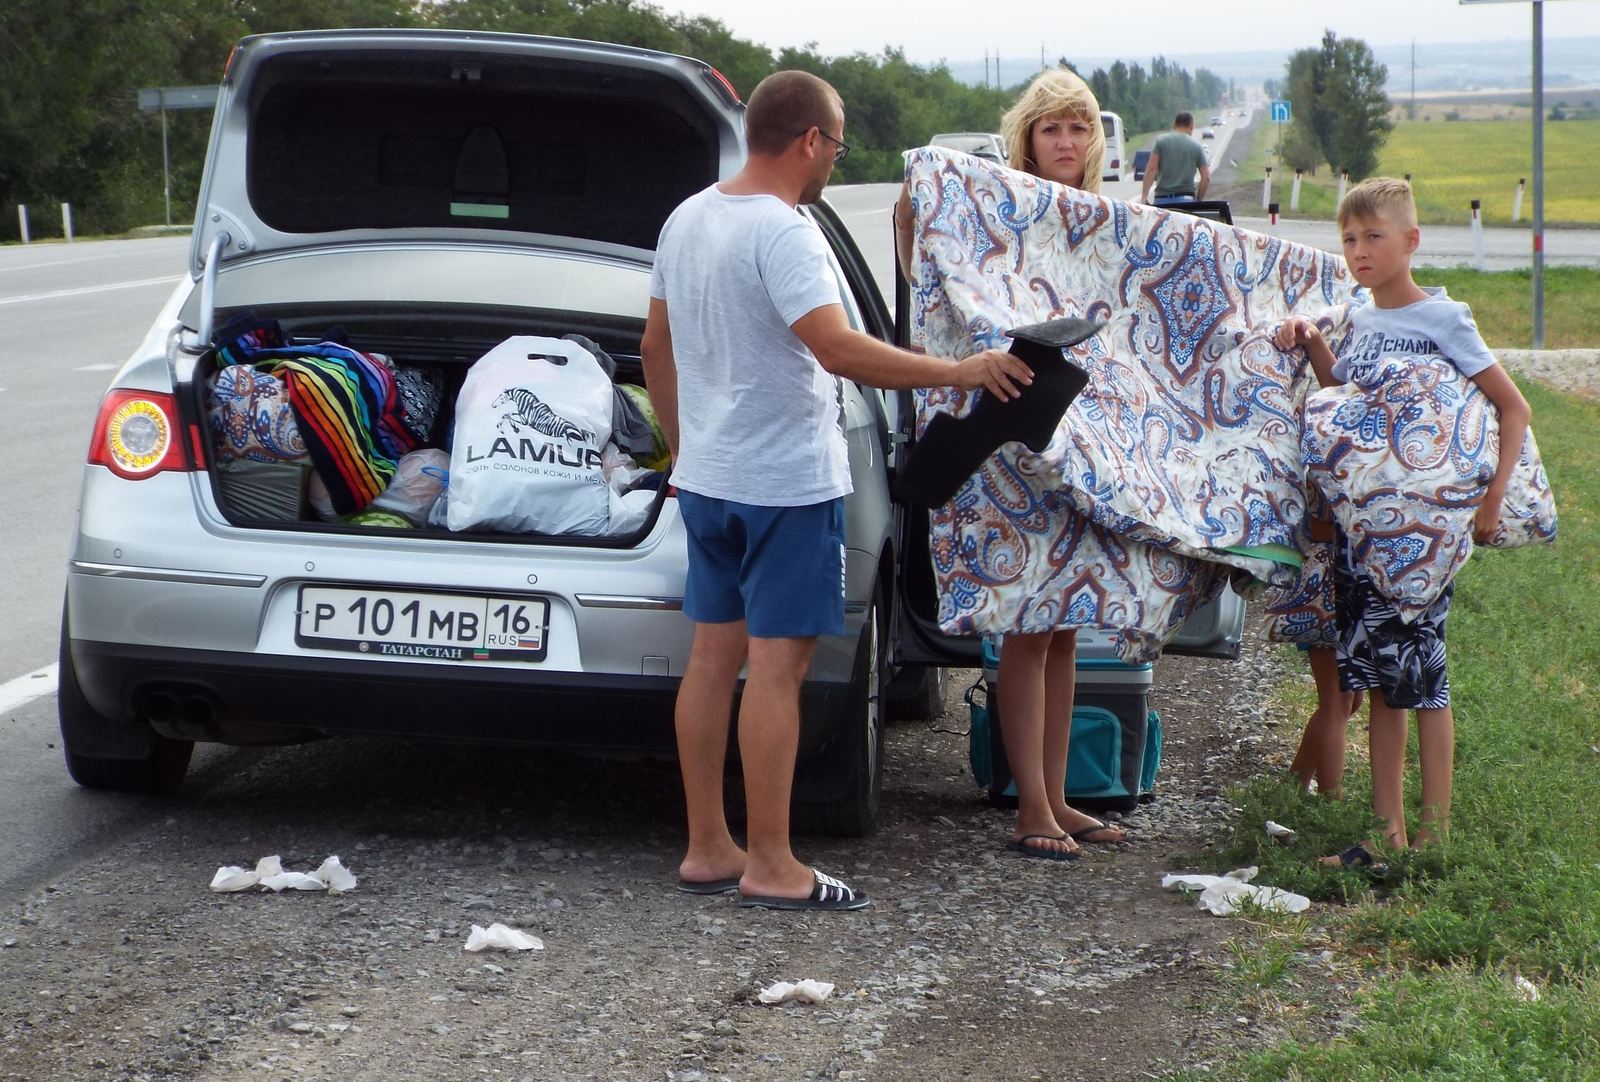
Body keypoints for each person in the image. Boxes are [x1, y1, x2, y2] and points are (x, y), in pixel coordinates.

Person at [642, 70, 1033, 911]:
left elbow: (653, 351)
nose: (833, 163)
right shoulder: (788, 232)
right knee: (777, 675)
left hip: (709, 481)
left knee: (712, 661)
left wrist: (684, 452)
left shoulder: (688, 217)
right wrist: (958, 370)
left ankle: (709, 845)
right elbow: (838, 349)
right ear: (811, 141)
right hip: (785, 485)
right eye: (837, 145)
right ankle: (774, 863)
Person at [896, 68, 1128, 862]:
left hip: (1074, 443)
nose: (1066, 142)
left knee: (1064, 625)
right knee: (1027, 626)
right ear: (1026, 136)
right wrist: (917, 191)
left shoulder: (1103, 218)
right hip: (1005, 440)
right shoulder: (994, 204)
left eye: (1078, 128)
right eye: (1051, 128)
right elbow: (921, 249)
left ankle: (1058, 796)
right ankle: (1030, 805)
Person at [1275, 177, 1531, 856]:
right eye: (1349, 239)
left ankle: (1434, 832)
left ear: (1411, 241)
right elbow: (1346, 396)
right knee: (1375, 683)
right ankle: (1385, 830)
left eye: (1374, 237)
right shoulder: (1359, 318)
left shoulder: (1445, 319)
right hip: (1367, 538)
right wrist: (1311, 345)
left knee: (1425, 681)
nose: (1359, 251)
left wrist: (1493, 498)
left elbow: (1513, 408)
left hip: (1425, 542)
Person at [1139, 111, 1210, 207]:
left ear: (1174, 125)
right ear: (1191, 126)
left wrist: (1144, 197)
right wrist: (1198, 199)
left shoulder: (1161, 141)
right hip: (1186, 202)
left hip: (1162, 201)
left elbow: (1151, 169)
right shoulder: (1197, 146)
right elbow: (1206, 178)